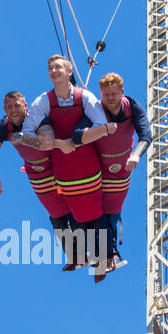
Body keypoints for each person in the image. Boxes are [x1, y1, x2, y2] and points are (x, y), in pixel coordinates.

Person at [20, 55, 116, 278]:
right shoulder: (43, 101)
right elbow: (26, 133)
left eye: (58, 67)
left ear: (70, 71)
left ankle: (107, 256)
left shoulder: (84, 97)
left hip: (87, 163)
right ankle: (79, 254)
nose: (54, 71)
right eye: (50, 68)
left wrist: (76, 140)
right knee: (76, 214)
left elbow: (101, 125)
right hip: (62, 166)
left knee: (94, 211)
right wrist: (56, 143)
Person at [72, 71, 152, 268]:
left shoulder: (131, 107)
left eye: (114, 94)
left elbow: (146, 134)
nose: (110, 99)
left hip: (121, 169)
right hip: (97, 168)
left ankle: (109, 253)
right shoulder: (96, 109)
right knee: (90, 209)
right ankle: (89, 250)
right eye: (106, 95)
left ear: (122, 92)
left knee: (112, 212)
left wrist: (136, 155)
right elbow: (77, 135)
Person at [0, 90, 73, 240]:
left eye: (17, 106)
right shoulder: (2, 126)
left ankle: (99, 250)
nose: (13, 110)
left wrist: (22, 138)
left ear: (25, 106)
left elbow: (47, 142)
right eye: (9, 107)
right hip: (36, 172)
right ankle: (75, 256)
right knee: (56, 215)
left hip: (57, 165)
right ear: (5, 110)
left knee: (76, 207)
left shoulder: (36, 118)